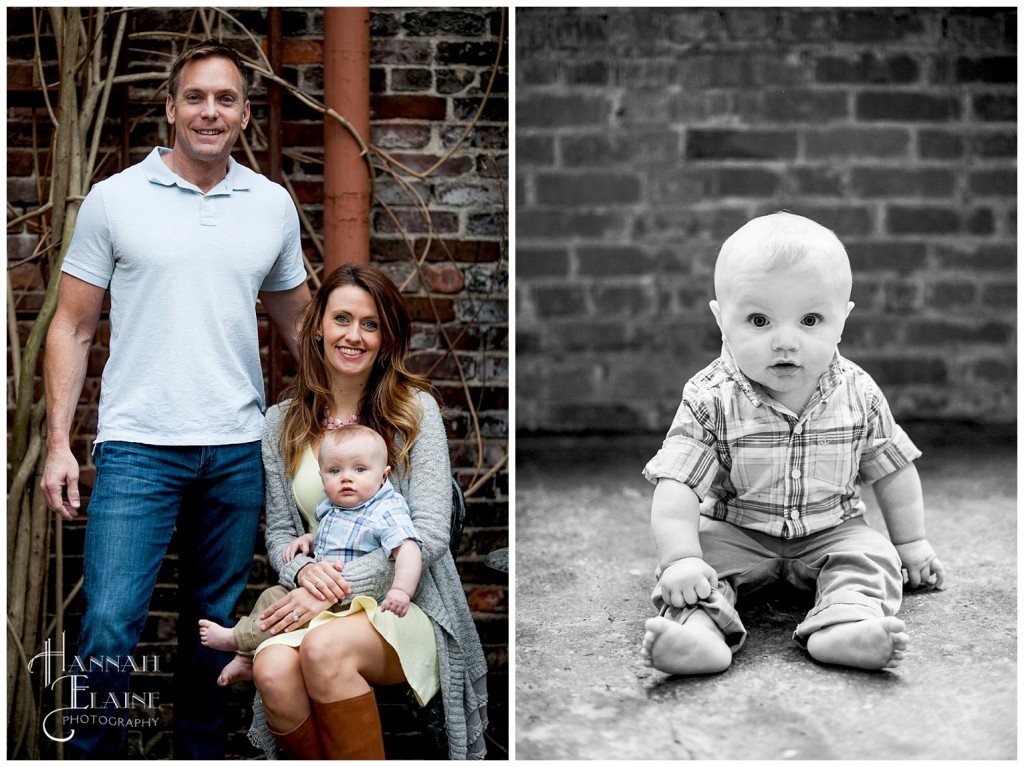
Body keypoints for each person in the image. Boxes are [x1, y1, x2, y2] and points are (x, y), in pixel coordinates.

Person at [39, 41, 311, 758]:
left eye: (225, 99)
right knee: (109, 623)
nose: (209, 111)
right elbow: (71, 323)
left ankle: (200, 753)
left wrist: (350, 414)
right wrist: (60, 442)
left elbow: (302, 327)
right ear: (170, 108)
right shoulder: (115, 199)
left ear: (245, 115)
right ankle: (93, 752)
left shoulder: (271, 206)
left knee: (213, 626)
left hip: (235, 449)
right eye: (195, 97)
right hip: (136, 449)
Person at [640, 211, 945, 676]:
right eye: (759, 320)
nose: (785, 341)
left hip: (832, 527)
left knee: (871, 557)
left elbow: (892, 467)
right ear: (723, 320)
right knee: (696, 573)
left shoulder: (859, 393)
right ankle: (698, 634)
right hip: (737, 529)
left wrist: (913, 543)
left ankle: (845, 624)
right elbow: (677, 484)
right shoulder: (710, 396)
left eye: (810, 319)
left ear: (842, 320)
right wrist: (680, 557)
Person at [245, 263, 488, 760]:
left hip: (407, 600)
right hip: (315, 600)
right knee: (270, 669)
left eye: (370, 324)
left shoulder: (414, 412)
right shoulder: (280, 424)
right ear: (318, 327)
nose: (354, 335)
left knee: (324, 649)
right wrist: (305, 574)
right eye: (342, 319)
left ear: (386, 337)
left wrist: (338, 588)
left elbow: (429, 534)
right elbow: (281, 536)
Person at [198, 423, 424, 686]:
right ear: (321, 475)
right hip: (319, 594)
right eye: (335, 471)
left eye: (360, 469)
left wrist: (401, 591)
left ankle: (237, 639)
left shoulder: (385, 509)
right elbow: (334, 538)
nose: (346, 478)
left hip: (360, 604)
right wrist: (309, 541)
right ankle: (246, 657)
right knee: (272, 597)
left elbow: (408, 549)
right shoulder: (332, 509)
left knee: (295, 620)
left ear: (383, 476)